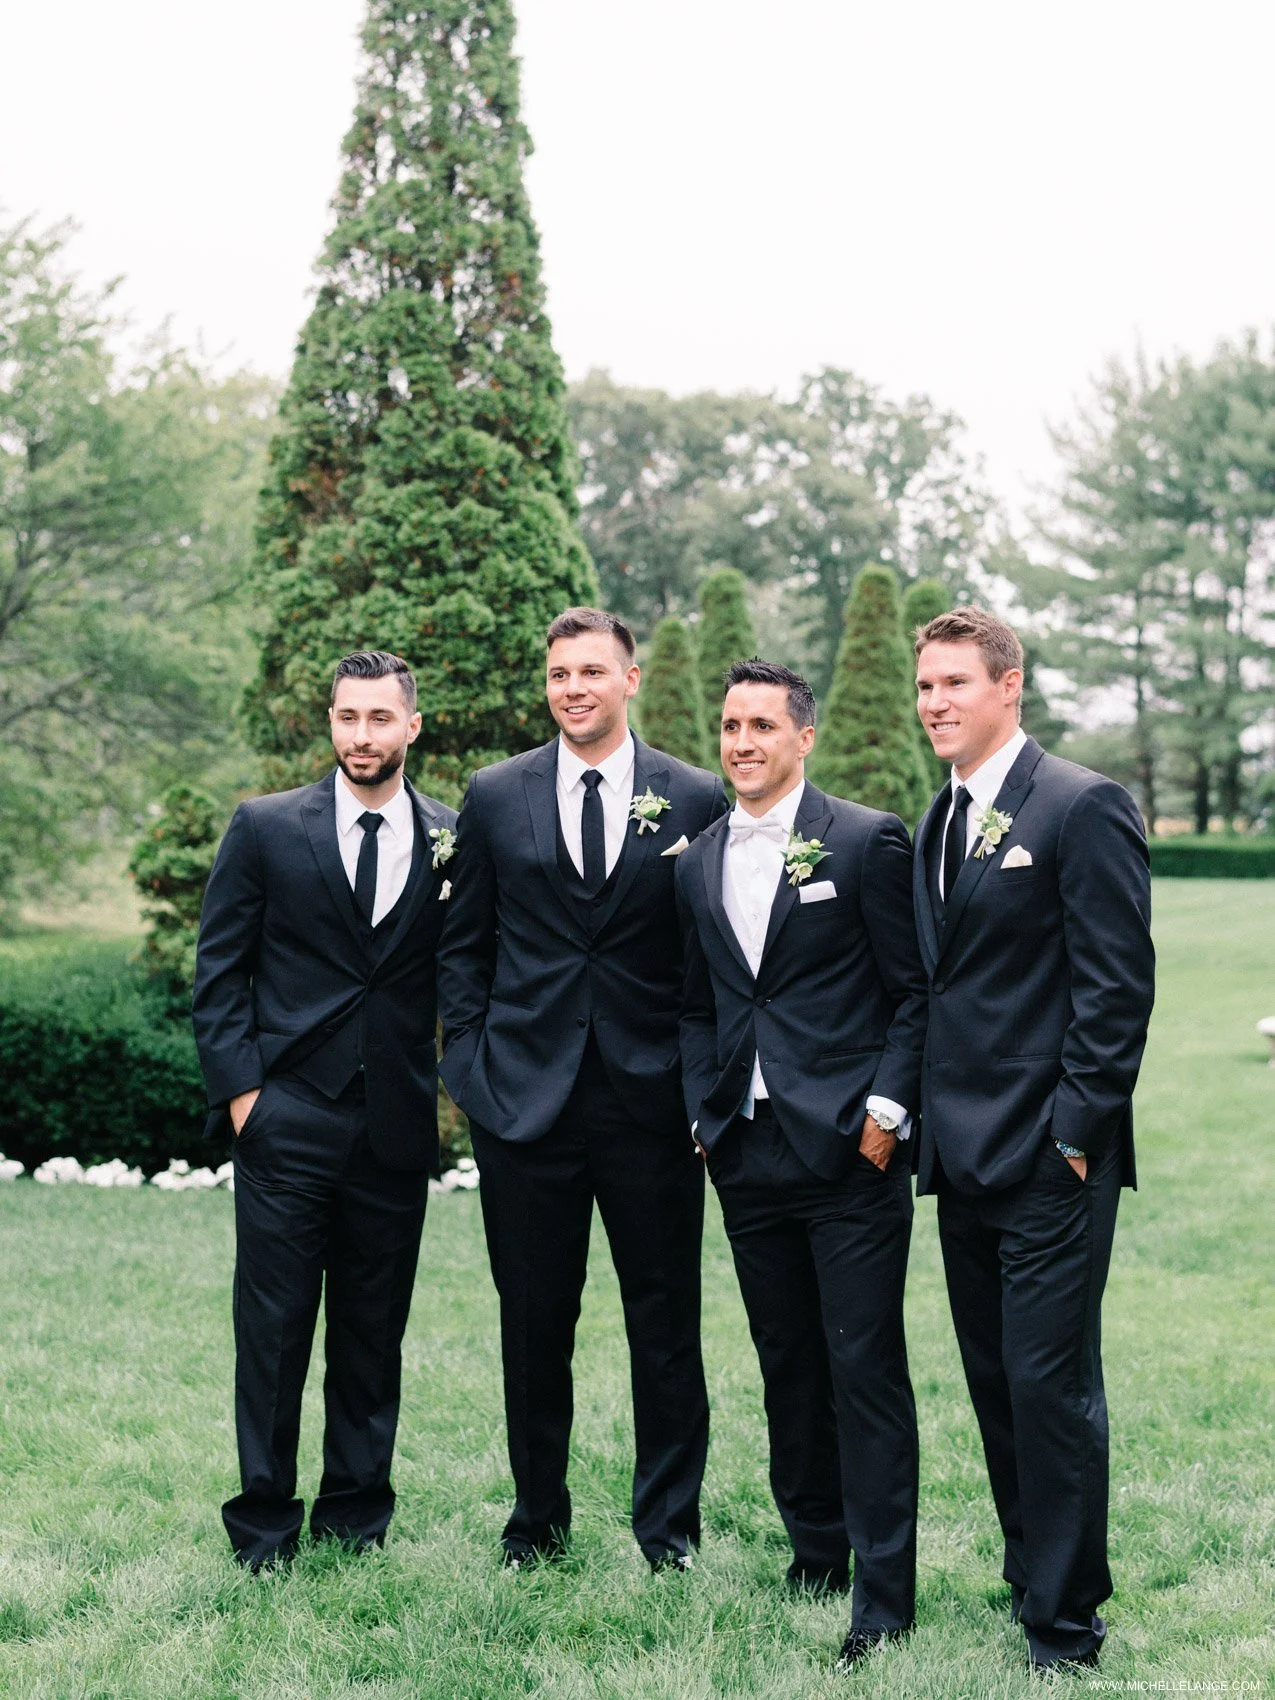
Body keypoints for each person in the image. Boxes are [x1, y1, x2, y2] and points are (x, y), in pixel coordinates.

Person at [437, 606, 727, 1571]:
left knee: (664, 1323)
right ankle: (536, 1522)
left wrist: (700, 1088)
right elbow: (462, 946)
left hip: (651, 1107)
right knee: (532, 1322)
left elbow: (711, 956)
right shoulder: (494, 793)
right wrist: (473, 1069)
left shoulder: (690, 798)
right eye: (560, 673)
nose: (574, 689)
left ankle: (668, 1529)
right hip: (522, 1104)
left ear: (629, 679)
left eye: (592, 671)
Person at [911, 608, 1155, 1672]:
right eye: (925, 686)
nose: (935, 703)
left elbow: (1117, 988)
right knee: (996, 1380)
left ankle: (1066, 1622)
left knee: (1053, 1386)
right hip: (960, 1158)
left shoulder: (1081, 803)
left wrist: (1073, 1134)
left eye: (955, 683)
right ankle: (1029, 1575)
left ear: (1010, 685)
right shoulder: (938, 818)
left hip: (1054, 1160)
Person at [675, 658, 927, 1669]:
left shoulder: (866, 840)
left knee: (863, 1366)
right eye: (730, 726)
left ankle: (884, 1588)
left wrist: (884, 1112)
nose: (740, 742)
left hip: (851, 1150)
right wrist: (706, 1112)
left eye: (761, 727)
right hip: (746, 1147)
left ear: (802, 738)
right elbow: (695, 1000)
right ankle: (815, 1548)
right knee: (787, 1361)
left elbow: (911, 991)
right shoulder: (692, 860)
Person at [192, 650, 457, 1569]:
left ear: (411, 727)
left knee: (371, 1331)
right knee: (271, 1333)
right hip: (286, 1117)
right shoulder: (266, 827)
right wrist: (243, 1098)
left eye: (380, 719)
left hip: (392, 1123)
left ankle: (355, 1517)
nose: (361, 736)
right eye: (348, 717)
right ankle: (263, 1523)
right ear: (332, 721)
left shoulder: (450, 834)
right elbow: (220, 970)